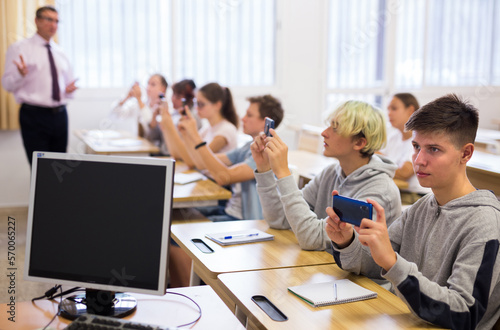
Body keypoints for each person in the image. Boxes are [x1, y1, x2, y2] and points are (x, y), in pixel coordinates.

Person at [326, 94, 500, 330]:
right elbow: (377, 264)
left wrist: (393, 263)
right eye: (416, 147)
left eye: (434, 150)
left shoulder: (484, 222)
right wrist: (347, 242)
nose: (419, 160)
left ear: (466, 154)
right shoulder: (420, 209)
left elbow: (464, 313)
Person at [250, 100, 401, 253]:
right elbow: (280, 219)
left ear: (359, 142)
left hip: (358, 277)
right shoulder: (331, 173)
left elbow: (312, 239)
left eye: (335, 128)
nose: (324, 133)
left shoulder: (380, 191)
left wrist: (283, 173)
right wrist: (264, 170)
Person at [168, 94, 284, 287]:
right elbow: (202, 163)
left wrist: (195, 137)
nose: (242, 118)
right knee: (176, 220)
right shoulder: (248, 146)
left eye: (249, 115)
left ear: (265, 123)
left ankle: (188, 292)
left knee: (178, 236)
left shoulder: (265, 152)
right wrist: (189, 135)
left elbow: (223, 176)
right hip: (230, 212)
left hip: (248, 222)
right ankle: (184, 287)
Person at [1, 6, 77, 165]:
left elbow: (68, 90)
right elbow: (7, 85)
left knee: (58, 169)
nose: (53, 25)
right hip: (34, 116)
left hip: (60, 115)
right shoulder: (20, 48)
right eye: (49, 19)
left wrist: (69, 90)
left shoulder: (60, 52)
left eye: (57, 21)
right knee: (40, 170)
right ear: (37, 21)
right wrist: (19, 75)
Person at [160, 82, 239, 167]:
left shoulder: (226, 130)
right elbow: (179, 154)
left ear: (217, 105)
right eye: (196, 103)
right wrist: (169, 128)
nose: (197, 108)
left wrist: (170, 127)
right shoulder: (207, 128)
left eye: (201, 104)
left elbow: (194, 162)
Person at [379, 93, 431, 202]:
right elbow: (379, 158)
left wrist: (377, 159)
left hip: (416, 196)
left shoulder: (421, 139)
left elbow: (404, 173)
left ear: (410, 110)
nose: (389, 113)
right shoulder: (394, 137)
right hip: (397, 190)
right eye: (388, 109)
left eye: (394, 109)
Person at [110, 74, 168, 154]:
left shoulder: (167, 108)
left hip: (156, 153)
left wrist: (139, 99)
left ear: (163, 88)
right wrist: (127, 97)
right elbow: (114, 115)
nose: (148, 87)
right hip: (139, 150)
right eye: (148, 83)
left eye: (153, 84)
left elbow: (150, 128)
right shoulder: (137, 104)